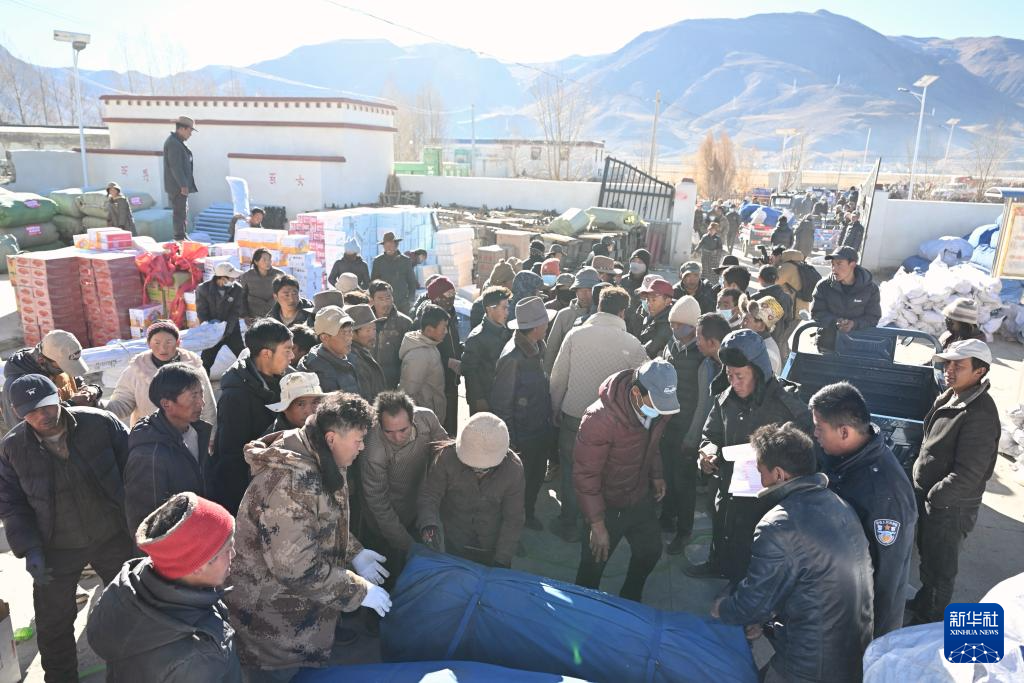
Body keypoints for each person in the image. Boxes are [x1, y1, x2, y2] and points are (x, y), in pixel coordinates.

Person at [226, 393, 392, 680]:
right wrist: (358, 591)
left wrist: (354, 552)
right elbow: (296, 568)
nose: (362, 447)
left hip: (294, 617)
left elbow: (319, 522)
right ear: (331, 438)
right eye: (358, 440)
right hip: (271, 629)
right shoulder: (292, 483)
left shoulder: (318, 455)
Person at [711, 423, 873, 683]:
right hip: (853, 650)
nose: (758, 476)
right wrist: (765, 618)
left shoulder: (779, 524)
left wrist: (724, 608)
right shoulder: (838, 504)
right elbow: (811, 579)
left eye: (760, 470)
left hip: (810, 663)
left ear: (778, 474)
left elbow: (753, 603)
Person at [0, 374, 136, 682]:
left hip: (111, 535)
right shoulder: (12, 449)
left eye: (47, 405)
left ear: (58, 397)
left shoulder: (99, 423)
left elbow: (136, 469)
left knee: (132, 607)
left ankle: (136, 671)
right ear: (17, 412)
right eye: (31, 411)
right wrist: (30, 549)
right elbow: (12, 505)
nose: (42, 415)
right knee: (53, 623)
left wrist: (137, 527)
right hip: (56, 546)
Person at [689, 330, 812, 581]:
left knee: (751, 550)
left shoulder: (787, 405)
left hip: (764, 498)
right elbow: (710, 434)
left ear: (758, 371)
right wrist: (707, 453)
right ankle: (717, 563)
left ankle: (740, 586)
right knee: (722, 527)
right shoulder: (725, 397)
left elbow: (805, 455)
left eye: (740, 376)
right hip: (727, 488)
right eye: (729, 375)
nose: (734, 382)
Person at [87, 493, 240, 682]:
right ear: (198, 565)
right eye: (227, 549)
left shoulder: (139, 580)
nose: (234, 554)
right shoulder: (198, 659)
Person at [810, 381, 917, 637]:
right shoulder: (846, 457)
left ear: (844, 432)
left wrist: (871, 641)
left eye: (819, 428)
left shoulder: (884, 495)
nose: (815, 434)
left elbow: (887, 578)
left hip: (858, 625)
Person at [908, 339, 1000, 625]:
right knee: (929, 558)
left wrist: (935, 497)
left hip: (950, 508)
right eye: (948, 363)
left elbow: (969, 474)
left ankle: (930, 620)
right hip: (935, 501)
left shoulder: (980, 414)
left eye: (958, 365)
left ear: (979, 371)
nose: (949, 370)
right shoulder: (952, 395)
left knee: (941, 568)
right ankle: (924, 602)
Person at [549, 287, 649, 542]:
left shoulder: (575, 335)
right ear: (623, 312)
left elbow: (558, 378)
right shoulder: (633, 344)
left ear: (599, 306)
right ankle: (596, 526)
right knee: (603, 473)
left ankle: (568, 523)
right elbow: (645, 386)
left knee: (573, 471)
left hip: (574, 416)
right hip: (613, 424)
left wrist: (555, 408)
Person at [574, 360, 676, 601]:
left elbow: (652, 444)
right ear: (636, 393)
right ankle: (583, 608)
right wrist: (597, 524)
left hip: (639, 497)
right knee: (594, 564)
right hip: (607, 506)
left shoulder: (658, 409)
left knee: (650, 551)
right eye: (655, 404)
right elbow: (585, 475)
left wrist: (657, 474)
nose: (661, 411)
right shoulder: (599, 419)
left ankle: (630, 599)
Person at [418, 412, 525, 568]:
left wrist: (502, 559)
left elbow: (513, 518)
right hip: (454, 539)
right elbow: (430, 495)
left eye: (484, 469)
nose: (477, 472)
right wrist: (429, 524)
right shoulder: (446, 457)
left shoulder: (513, 469)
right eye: (471, 466)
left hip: (491, 546)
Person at [361, 391, 447, 582]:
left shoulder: (427, 418)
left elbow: (444, 454)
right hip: (387, 520)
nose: (397, 437)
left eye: (403, 430)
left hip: (419, 502)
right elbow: (379, 504)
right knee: (394, 571)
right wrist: (408, 545)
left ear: (413, 418)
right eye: (389, 432)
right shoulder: (373, 451)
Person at [212, 319, 293, 514]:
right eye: (287, 350)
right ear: (266, 353)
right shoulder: (235, 396)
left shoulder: (286, 380)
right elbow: (232, 459)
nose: (292, 356)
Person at [124, 362, 213, 531]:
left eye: (201, 394)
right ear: (166, 404)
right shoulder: (149, 454)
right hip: (176, 542)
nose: (201, 403)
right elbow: (145, 522)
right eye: (193, 396)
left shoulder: (197, 432)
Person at [491, 297, 553, 530]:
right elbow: (502, 403)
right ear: (536, 327)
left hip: (539, 428)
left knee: (535, 478)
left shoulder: (538, 346)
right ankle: (512, 527)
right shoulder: (512, 357)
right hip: (522, 436)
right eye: (545, 322)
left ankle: (528, 515)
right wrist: (511, 442)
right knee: (518, 484)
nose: (547, 325)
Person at [107, 320, 217, 430]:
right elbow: (122, 404)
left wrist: (210, 435)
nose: (163, 348)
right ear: (149, 344)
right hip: (149, 435)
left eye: (168, 342)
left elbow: (208, 407)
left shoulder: (194, 368)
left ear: (178, 342)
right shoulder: (136, 369)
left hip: (188, 433)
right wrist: (99, 407)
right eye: (157, 343)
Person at [657, 296, 704, 553]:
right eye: (672, 324)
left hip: (687, 428)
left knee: (684, 482)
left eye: (679, 324)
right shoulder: (672, 345)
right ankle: (667, 517)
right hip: (669, 424)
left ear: (692, 326)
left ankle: (684, 531)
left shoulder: (701, 356)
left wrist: (693, 436)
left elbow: (703, 401)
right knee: (668, 475)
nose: (674, 328)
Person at [2, 329, 102, 428]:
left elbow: (80, 386)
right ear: (41, 360)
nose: (65, 371)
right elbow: (26, 428)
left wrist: (92, 390)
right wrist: (72, 404)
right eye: (63, 367)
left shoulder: (56, 360)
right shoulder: (17, 386)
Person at [810, 246, 881, 351]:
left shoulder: (870, 289)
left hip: (858, 345)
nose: (834, 268)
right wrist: (835, 321)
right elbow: (816, 312)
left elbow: (873, 317)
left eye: (839, 264)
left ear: (852, 264)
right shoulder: (823, 286)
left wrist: (854, 324)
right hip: (828, 343)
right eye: (832, 264)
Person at [461, 286, 512, 414]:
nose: (507, 312)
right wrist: (478, 399)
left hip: (503, 399)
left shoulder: (506, 331)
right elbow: (469, 371)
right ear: (490, 309)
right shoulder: (476, 337)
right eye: (504, 308)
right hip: (486, 402)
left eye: (508, 308)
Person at [423, 276, 464, 434]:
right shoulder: (426, 318)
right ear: (437, 298)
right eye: (448, 294)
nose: (452, 298)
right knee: (441, 427)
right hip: (438, 382)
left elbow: (453, 341)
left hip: (453, 380)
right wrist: (448, 361)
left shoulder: (451, 314)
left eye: (453, 293)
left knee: (452, 426)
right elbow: (425, 350)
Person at [399, 304, 449, 427]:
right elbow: (408, 393)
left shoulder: (429, 345)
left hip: (430, 417)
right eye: (443, 328)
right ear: (429, 330)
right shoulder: (418, 355)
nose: (446, 332)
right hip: (423, 422)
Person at [544, 267, 600, 376]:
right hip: (566, 372)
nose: (585, 294)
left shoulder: (601, 315)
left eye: (590, 290)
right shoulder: (564, 315)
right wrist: (548, 374)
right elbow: (552, 348)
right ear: (575, 291)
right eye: (581, 290)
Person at [195, 262, 246, 374]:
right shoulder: (203, 289)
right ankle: (203, 382)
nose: (234, 280)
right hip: (212, 331)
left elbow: (235, 312)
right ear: (222, 278)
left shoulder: (237, 289)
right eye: (232, 278)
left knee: (244, 357)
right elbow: (202, 312)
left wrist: (226, 331)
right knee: (205, 362)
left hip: (232, 330)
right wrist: (212, 329)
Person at [299, 306, 360, 394]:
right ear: (324, 338)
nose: (349, 337)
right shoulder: (319, 372)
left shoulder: (349, 357)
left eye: (350, 331)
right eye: (343, 333)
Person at [369, 280, 413, 390]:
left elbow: (410, 357)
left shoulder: (404, 323)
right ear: (372, 300)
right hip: (369, 381)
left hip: (394, 382)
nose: (385, 303)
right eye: (381, 299)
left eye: (388, 298)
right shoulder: (365, 322)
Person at [163, 115, 198, 241]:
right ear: (182, 129)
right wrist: (183, 185)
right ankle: (180, 238)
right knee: (179, 212)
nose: (190, 134)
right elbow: (175, 166)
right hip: (177, 186)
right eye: (189, 131)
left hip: (180, 185)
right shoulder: (173, 143)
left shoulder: (178, 142)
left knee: (183, 211)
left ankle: (182, 235)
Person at [347, 303, 387, 403]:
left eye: (374, 329)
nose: (373, 335)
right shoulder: (353, 358)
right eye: (368, 330)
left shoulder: (362, 352)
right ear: (352, 333)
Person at [371, 231, 419, 314]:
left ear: (396, 245)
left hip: (402, 303)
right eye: (386, 245)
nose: (388, 248)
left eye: (390, 245)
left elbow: (412, 282)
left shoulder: (405, 261)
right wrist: (375, 300)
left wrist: (410, 300)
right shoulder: (378, 261)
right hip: (383, 303)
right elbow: (373, 282)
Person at [740, 295, 785, 375]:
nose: (741, 325)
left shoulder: (768, 354)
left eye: (746, 320)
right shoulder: (755, 343)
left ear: (761, 326)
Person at [240, 248, 285, 320]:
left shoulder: (279, 274)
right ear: (256, 262)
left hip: (275, 316)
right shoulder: (247, 276)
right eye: (264, 260)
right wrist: (245, 316)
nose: (268, 262)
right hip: (254, 317)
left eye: (269, 259)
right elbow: (242, 297)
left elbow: (285, 295)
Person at [636, 276, 675, 359]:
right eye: (648, 299)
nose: (649, 304)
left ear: (667, 301)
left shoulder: (666, 325)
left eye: (654, 300)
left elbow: (647, 352)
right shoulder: (655, 317)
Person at [470, 260, 515, 329]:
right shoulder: (479, 305)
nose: (513, 284)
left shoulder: (507, 299)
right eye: (511, 281)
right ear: (503, 283)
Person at [621, 248, 652, 333]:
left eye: (640, 262)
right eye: (634, 261)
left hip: (642, 327)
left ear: (646, 265)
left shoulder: (651, 283)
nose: (636, 264)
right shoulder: (622, 281)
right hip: (622, 325)